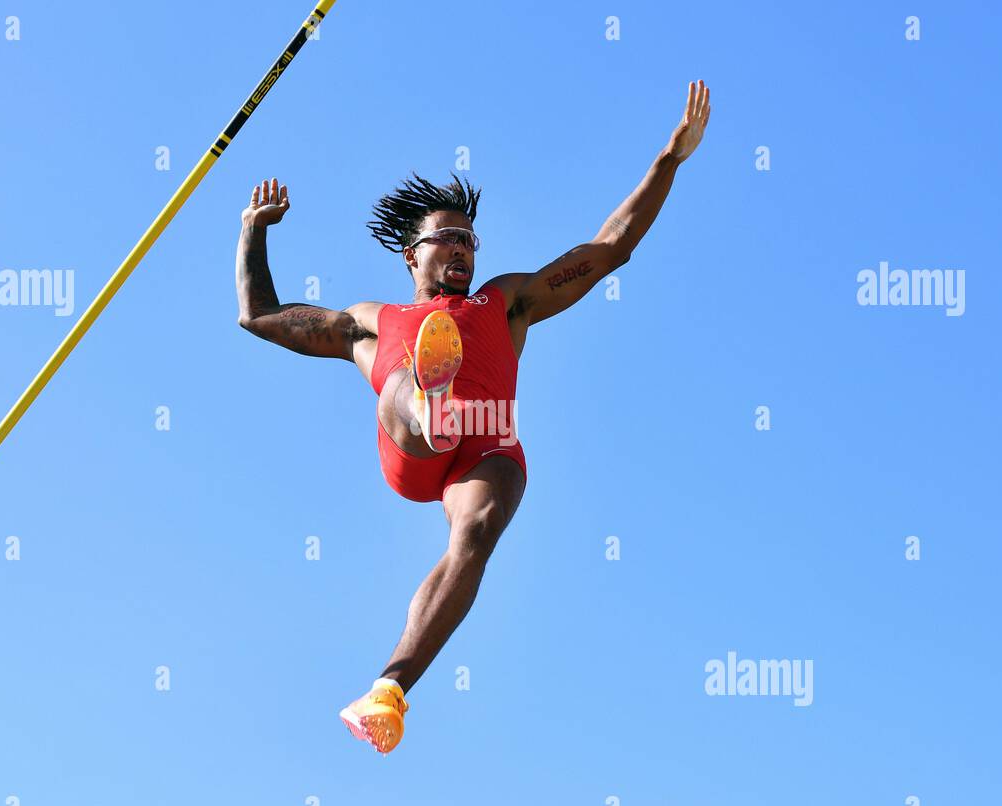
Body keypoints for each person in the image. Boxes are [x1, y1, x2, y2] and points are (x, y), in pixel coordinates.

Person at [236, 81, 712, 754]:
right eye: (447, 239)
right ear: (412, 255)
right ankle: (427, 407)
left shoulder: (507, 301)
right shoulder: (372, 322)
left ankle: (387, 691)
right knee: (401, 378)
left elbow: (610, 248)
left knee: (480, 529)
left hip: (486, 446)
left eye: (470, 239)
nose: (463, 249)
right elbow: (258, 315)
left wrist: (669, 159)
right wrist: (253, 231)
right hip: (414, 444)